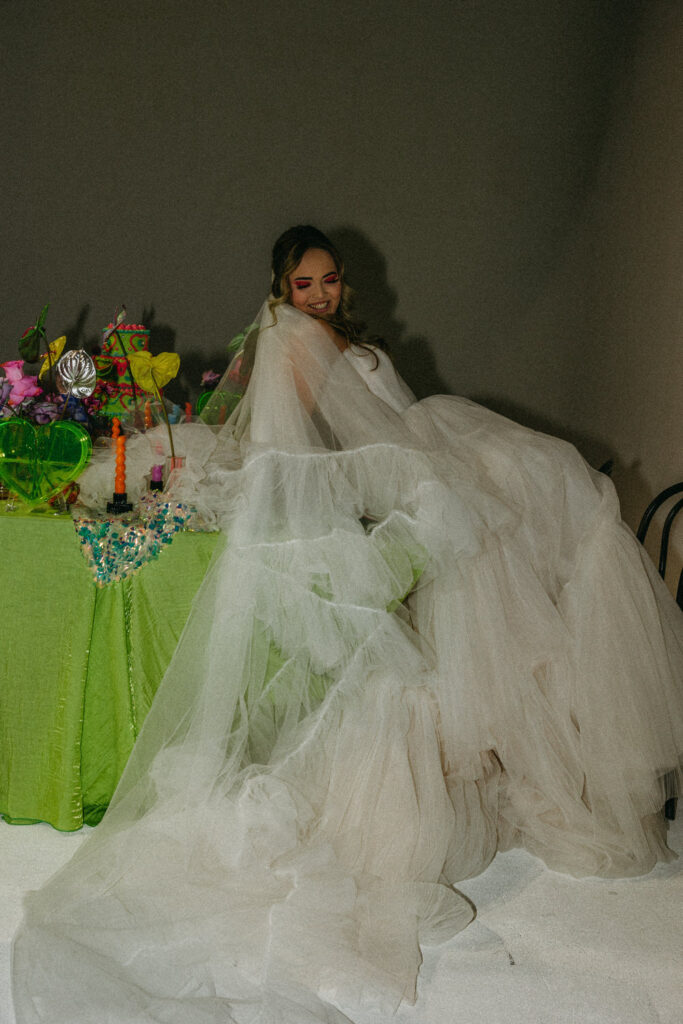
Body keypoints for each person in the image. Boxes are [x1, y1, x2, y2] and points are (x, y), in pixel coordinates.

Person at [12, 226, 683, 1024]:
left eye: (329, 280)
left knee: (550, 495)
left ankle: (534, 744)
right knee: (526, 501)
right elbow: (297, 446)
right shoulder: (287, 338)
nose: (321, 294)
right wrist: (390, 487)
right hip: (402, 463)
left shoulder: (342, 338)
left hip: (419, 447)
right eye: (304, 284)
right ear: (279, 290)